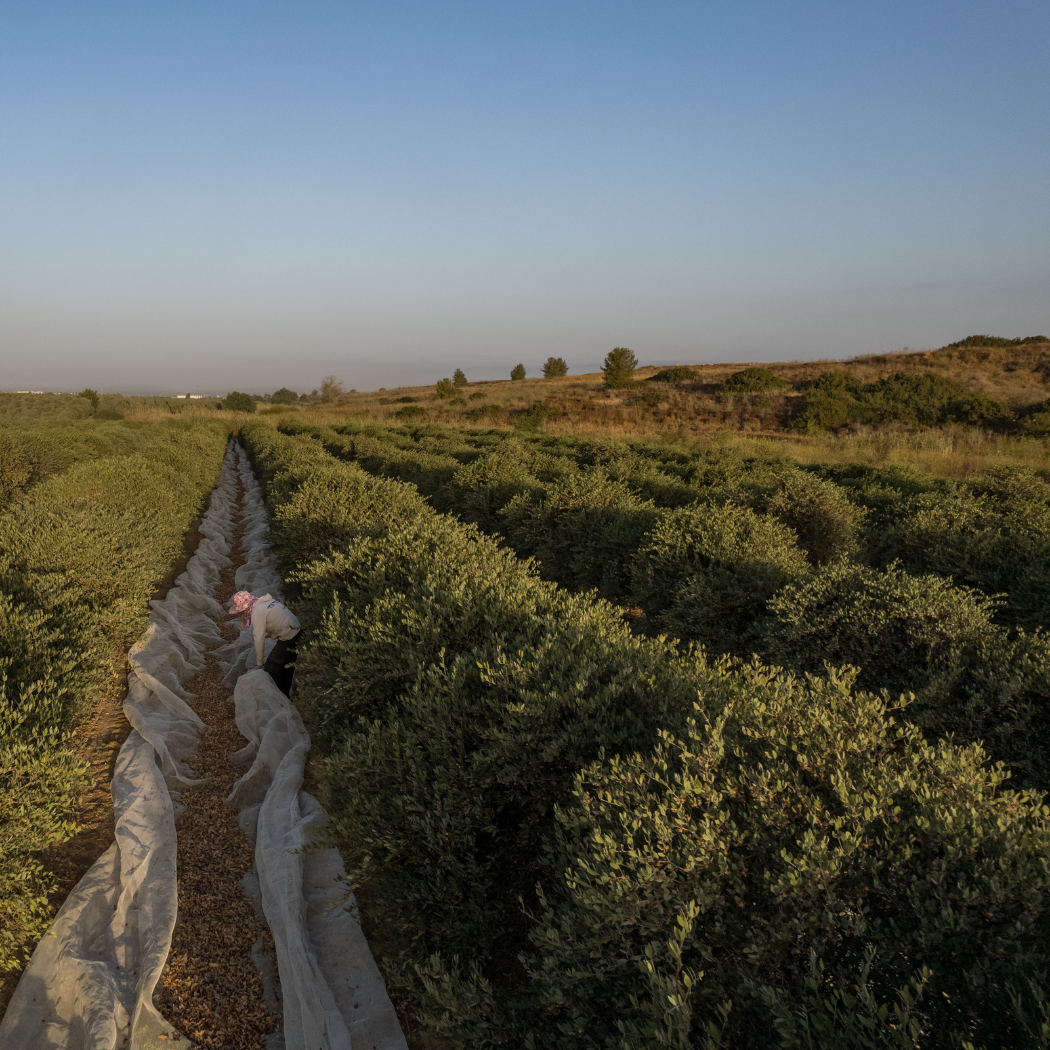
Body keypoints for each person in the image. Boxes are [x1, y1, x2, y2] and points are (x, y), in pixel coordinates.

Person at [228, 590, 302, 697]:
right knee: (286, 666)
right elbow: (276, 619)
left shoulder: (257, 612)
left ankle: (277, 700)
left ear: (247, 607)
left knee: (272, 669)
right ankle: (285, 696)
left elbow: (258, 639)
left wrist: (260, 663)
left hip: (290, 635)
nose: (242, 613)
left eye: (242, 610)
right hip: (297, 631)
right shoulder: (262, 602)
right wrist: (272, 632)